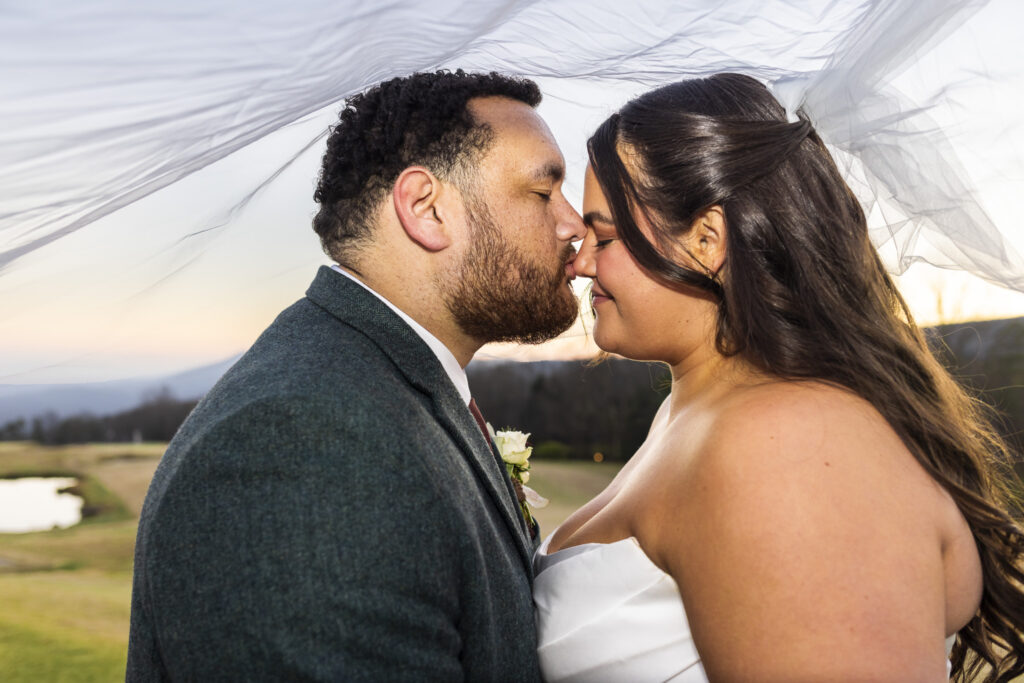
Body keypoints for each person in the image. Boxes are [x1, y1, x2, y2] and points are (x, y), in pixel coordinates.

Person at [533, 73, 1024, 682]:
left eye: (604, 236)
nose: (580, 262)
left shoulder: (786, 443)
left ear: (707, 240)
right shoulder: (696, 414)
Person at [127, 70, 585, 681]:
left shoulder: (387, 390)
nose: (575, 224)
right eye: (542, 192)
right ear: (426, 209)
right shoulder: (301, 445)